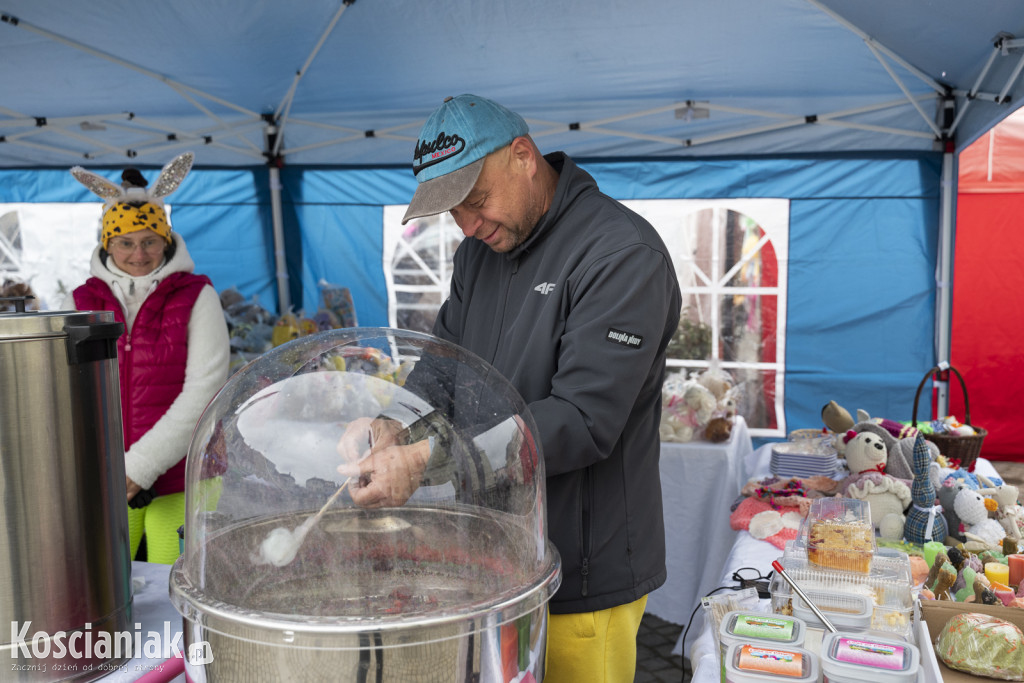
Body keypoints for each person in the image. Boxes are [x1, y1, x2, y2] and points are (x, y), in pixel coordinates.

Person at [339, 94, 682, 682]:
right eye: (453, 213)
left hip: (585, 569)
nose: (468, 225)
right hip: (500, 559)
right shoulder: (479, 254)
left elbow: (582, 420)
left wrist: (428, 457)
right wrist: (392, 423)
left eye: (475, 201)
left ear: (523, 156)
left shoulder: (621, 253)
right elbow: (442, 366)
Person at [68, 153, 230, 565]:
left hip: (182, 474)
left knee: (172, 580)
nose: (138, 254)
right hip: (108, 472)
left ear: (167, 240)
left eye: (149, 242)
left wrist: (139, 467)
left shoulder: (197, 296)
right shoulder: (82, 301)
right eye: (125, 242)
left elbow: (205, 390)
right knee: (109, 582)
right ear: (107, 243)